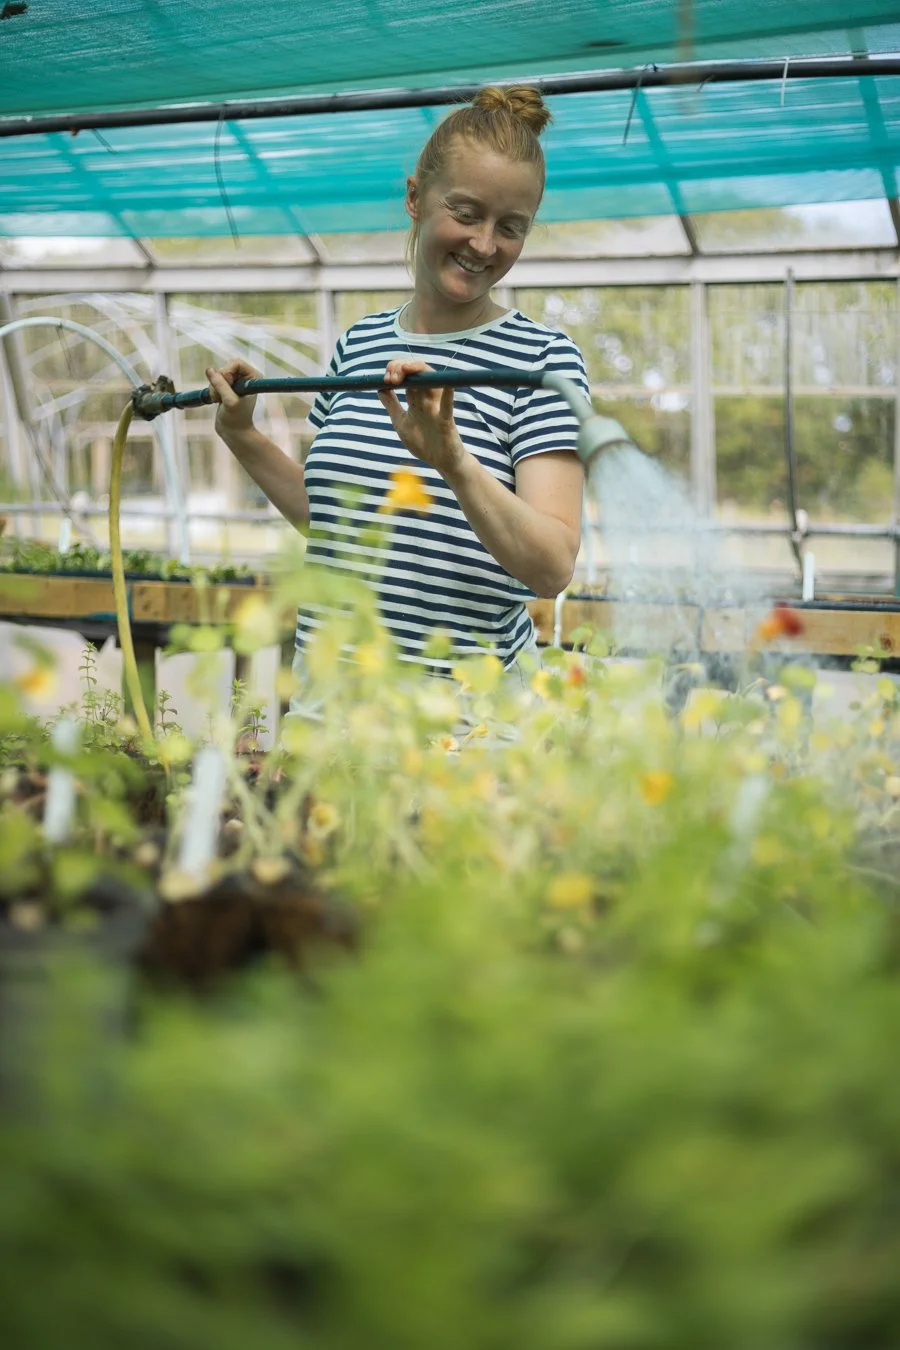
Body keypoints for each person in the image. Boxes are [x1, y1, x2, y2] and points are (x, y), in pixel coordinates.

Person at [206, 85, 590, 697]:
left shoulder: (541, 360)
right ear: (415, 197)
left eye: (510, 227)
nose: (484, 244)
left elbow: (552, 567)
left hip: (463, 719)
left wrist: (453, 461)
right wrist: (242, 435)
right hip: (330, 704)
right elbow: (332, 522)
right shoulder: (359, 344)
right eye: (466, 213)